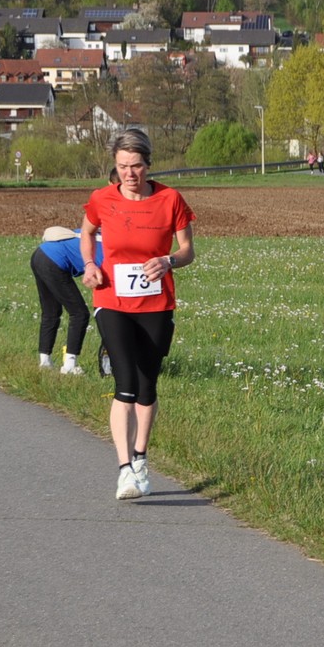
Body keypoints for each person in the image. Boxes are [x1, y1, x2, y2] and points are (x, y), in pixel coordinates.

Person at [78, 128, 196, 501]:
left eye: (136, 165)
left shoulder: (170, 199)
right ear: (115, 166)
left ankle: (141, 457)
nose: (129, 173)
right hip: (111, 299)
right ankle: (124, 469)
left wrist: (168, 260)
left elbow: (188, 250)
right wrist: (89, 265)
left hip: (156, 304)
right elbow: (87, 233)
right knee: (125, 382)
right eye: (122, 166)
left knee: (147, 385)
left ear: (148, 164)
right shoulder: (101, 199)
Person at [31, 225, 94, 374]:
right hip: (54, 261)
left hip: (40, 254)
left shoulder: (95, 233)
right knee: (80, 314)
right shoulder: (109, 248)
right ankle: (69, 366)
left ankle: (45, 362)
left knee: (50, 312)